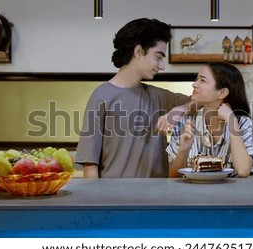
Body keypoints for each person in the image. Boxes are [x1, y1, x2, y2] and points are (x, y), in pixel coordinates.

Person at [75, 18, 193, 178]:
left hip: (157, 199)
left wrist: (182, 108)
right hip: (114, 200)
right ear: (138, 51)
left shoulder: (159, 96)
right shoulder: (101, 96)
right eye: (158, 57)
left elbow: (203, 102)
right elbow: (89, 165)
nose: (162, 65)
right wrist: (97, 201)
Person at [166, 62, 253, 178]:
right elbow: (173, 177)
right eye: (197, 79)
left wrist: (231, 122)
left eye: (202, 80)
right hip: (192, 194)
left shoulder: (242, 123)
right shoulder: (185, 122)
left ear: (222, 92)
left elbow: (243, 171)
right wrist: (183, 150)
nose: (194, 84)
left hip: (231, 195)